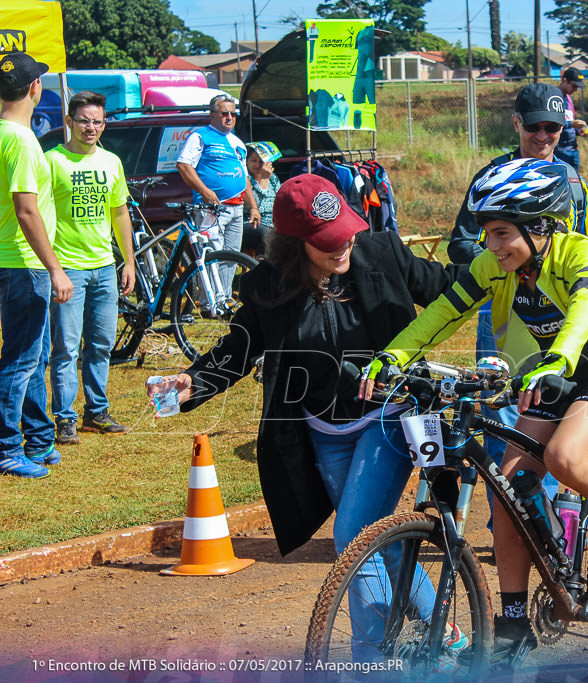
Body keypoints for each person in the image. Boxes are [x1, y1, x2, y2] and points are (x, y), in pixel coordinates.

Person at [362, 159, 588, 663]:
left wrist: (559, 358)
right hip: (549, 376)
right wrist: (395, 355)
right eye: (486, 234)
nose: (491, 245)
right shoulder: (493, 267)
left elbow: (584, 310)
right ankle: (512, 623)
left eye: (502, 233)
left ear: (540, 225)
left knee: (565, 459)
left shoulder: (579, 253)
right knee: (506, 484)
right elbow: (443, 311)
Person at [145, 174, 461, 658]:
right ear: (294, 246)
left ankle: (368, 660)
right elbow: (240, 347)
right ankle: (447, 639)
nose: (343, 248)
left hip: (390, 417)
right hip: (322, 431)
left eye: (347, 234)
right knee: (381, 539)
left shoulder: (382, 253)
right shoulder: (265, 286)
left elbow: (453, 290)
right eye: (328, 244)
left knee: (354, 537)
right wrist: (192, 383)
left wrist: (515, 276)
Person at [449, 82, 588, 514]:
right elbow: (460, 243)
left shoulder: (574, 183)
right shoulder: (490, 176)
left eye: (553, 127)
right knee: (502, 424)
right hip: (502, 320)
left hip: (558, 323)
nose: (543, 135)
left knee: (555, 417)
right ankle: (514, 525)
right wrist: (503, 260)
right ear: (517, 123)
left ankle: (544, 525)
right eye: (535, 125)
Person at [45, 90, 135, 445]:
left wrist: (127, 262)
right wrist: (52, 268)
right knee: (65, 348)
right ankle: (64, 418)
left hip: (103, 268)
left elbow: (119, 213)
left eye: (97, 121)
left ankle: (96, 412)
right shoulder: (52, 161)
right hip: (68, 268)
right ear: (69, 121)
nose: (90, 128)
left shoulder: (111, 161)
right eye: (83, 120)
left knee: (100, 344)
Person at [0, 52, 73, 479]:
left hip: (10, 260)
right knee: (22, 359)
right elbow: (27, 210)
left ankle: (38, 438)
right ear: (34, 89)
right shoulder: (22, 140)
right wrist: (55, 268)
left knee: (35, 354)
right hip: (24, 263)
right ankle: (8, 448)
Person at [176, 94, 260, 292]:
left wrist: (253, 206)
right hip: (211, 208)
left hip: (237, 207)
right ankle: (209, 301)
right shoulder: (200, 136)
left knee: (231, 256)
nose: (229, 117)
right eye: (224, 113)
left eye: (233, 114)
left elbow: (244, 176)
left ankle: (224, 297)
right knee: (211, 254)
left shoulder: (238, 143)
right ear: (212, 115)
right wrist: (204, 191)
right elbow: (183, 165)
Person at [241, 141, 282, 259]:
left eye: (262, 161)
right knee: (266, 233)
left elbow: (280, 201)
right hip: (251, 225)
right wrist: (262, 181)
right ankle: (262, 265)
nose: (258, 165)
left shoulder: (273, 178)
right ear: (246, 162)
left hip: (273, 224)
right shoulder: (245, 180)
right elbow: (256, 208)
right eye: (254, 161)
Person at [552, 67, 588, 171]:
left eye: (578, 87)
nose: (575, 90)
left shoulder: (569, 97)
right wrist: (571, 124)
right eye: (574, 86)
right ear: (564, 80)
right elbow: (553, 124)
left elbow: (569, 119)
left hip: (573, 147)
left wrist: (578, 130)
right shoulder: (554, 97)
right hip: (560, 148)